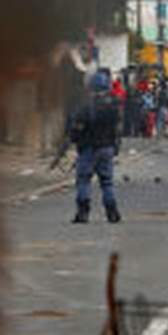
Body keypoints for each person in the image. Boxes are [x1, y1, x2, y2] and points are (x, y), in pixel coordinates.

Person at [66, 70, 122, 224]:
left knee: (83, 180)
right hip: (107, 147)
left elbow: (77, 126)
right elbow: (117, 128)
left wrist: (73, 139)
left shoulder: (85, 105)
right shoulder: (114, 103)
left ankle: (83, 214)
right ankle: (112, 213)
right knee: (107, 181)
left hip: (88, 148)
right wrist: (116, 146)